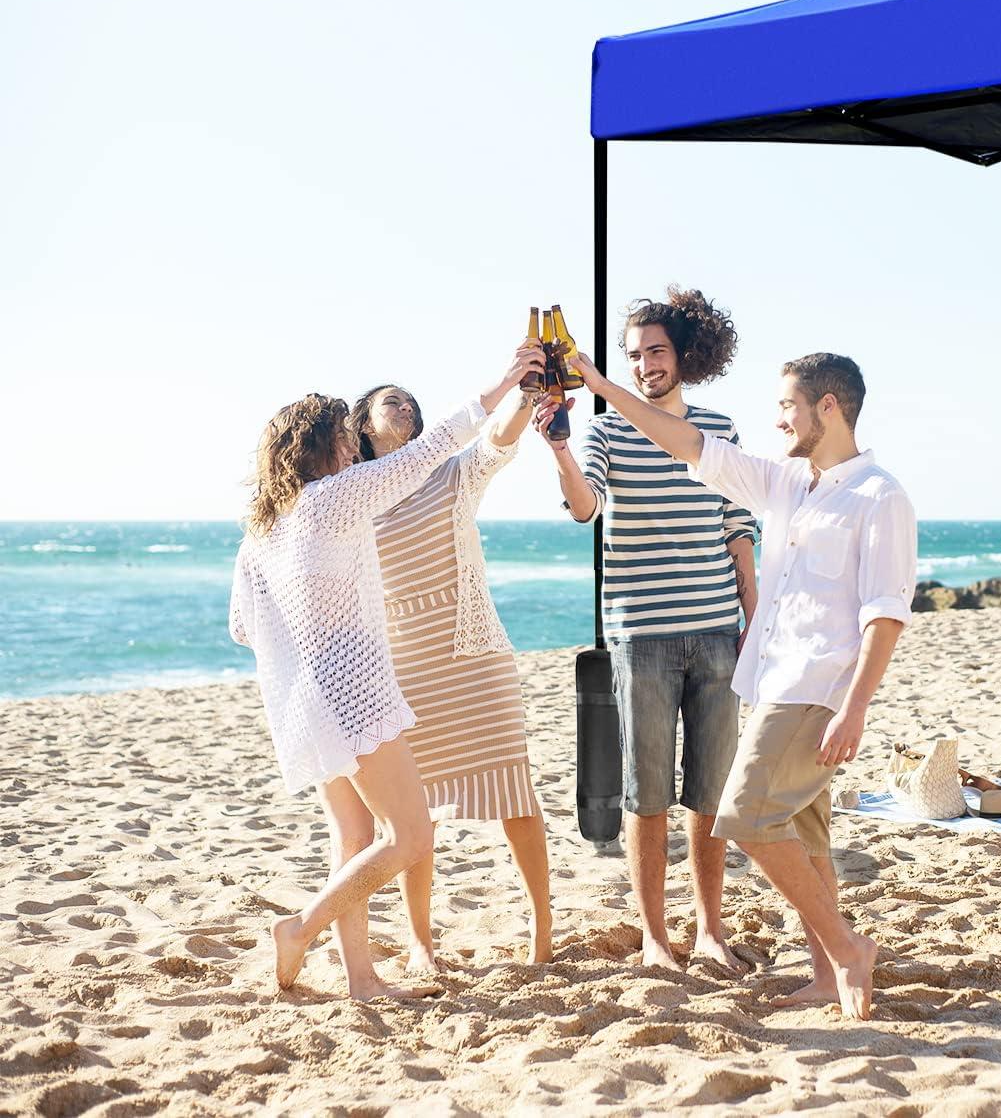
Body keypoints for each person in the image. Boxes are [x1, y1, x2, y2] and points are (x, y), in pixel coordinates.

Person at [565, 347, 916, 1021]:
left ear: (828, 407)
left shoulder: (881, 497)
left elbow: (885, 614)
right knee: (806, 834)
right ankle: (826, 972)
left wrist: (856, 707)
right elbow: (686, 442)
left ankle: (845, 948)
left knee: (745, 815)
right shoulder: (788, 483)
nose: (777, 418)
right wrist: (604, 386)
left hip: (821, 689)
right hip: (774, 681)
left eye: (787, 405)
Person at [228, 341, 543, 1000]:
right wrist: (505, 382)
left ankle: (363, 979)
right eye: (342, 439)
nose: (350, 450)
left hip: (302, 704)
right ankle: (302, 928)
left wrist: (305, 635)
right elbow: (435, 448)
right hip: (355, 690)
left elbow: (242, 627)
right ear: (318, 446)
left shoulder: (262, 530)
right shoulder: (331, 499)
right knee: (410, 834)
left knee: (354, 837)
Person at [536, 288, 757, 974]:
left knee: (712, 793)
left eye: (656, 351)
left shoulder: (718, 426)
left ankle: (711, 931)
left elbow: (738, 525)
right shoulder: (606, 430)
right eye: (633, 355)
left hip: (719, 630)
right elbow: (584, 507)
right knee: (647, 792)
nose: (645, 365)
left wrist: (755, 612)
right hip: (643, 635)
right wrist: (562, 451)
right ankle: (657, 939)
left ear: (683, 355)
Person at [350, 381, 551, 970]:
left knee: (515, 792)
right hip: (403, 667)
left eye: (411, 400)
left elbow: (495, 440)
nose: (406, 406)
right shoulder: (354, 496)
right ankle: (420, 942)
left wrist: (528, 392)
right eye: (392, 401)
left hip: (475, 657)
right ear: (362, 423)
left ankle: (543, 931)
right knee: (415, 810)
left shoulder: (447, 475)